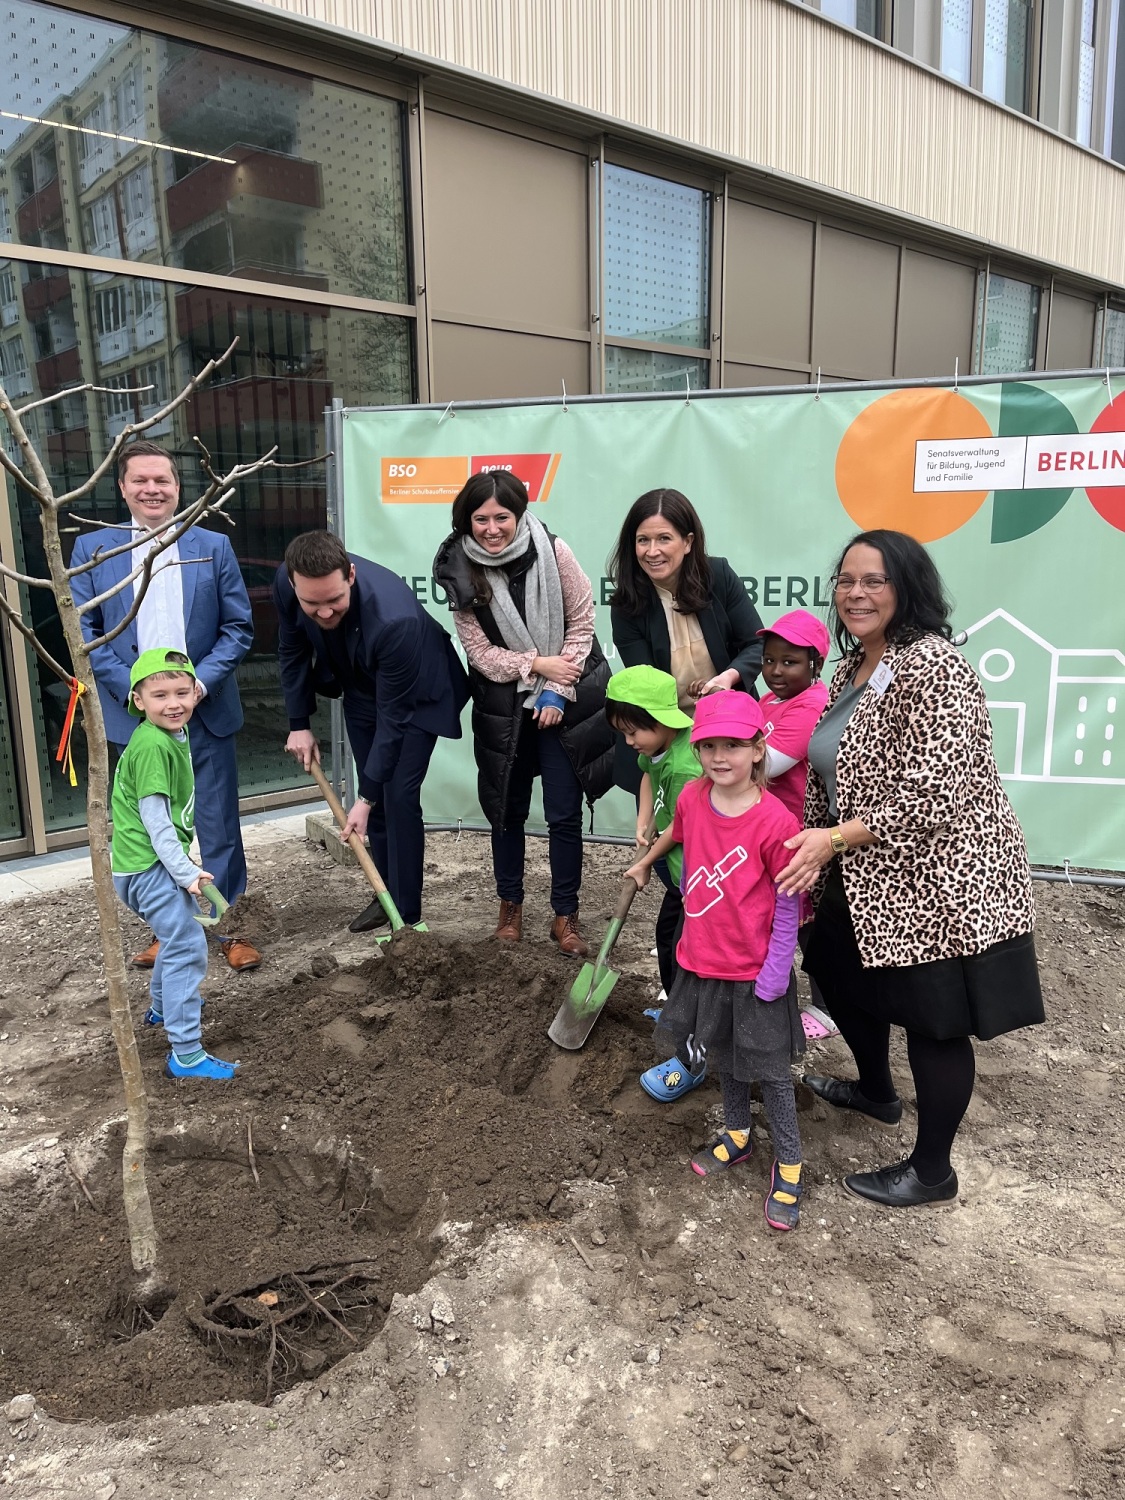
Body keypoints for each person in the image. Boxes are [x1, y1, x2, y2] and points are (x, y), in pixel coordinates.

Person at [777, 529, 1044, 1209]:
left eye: (874, 580)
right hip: (859, 872)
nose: (855, 593)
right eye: (845, 579)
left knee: (933, 1021)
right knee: (841, 979)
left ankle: (932, 1171)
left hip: (936, 880)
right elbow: (827, 766)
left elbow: (936, 788)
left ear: (907, 587)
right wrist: (816, 839)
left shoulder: (934, 666)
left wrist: (832, 838)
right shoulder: (847, 670)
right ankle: (875, 1092)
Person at [70, 440, 260, 972]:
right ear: (123, 488)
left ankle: (225, 929)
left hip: (206, 708)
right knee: (151, 827)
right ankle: (169, 929)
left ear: (179, 488)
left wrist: (197, 685)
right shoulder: (94, 551)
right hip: (134, 720)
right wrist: (132, 694)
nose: (153, 489)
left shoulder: (212, 546)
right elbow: (86, 633)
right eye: (141, 481)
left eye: (163, 481)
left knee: (218, 823)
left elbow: (238, 627)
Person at [625, 691, 806, 1232]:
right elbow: (677, 834)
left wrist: (776, 970)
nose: (720, 757)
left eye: (733, 745)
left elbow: (790, 899)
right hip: (702, 962)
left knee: (770, 1073)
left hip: (755, 972)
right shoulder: (691, 799)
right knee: (721, 1054)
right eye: (708, 746)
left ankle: (791, 1163)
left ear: (758, 750)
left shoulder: (776, 821)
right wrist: (645, 861)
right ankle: (737, 1136)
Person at [432, 471, 614, 957]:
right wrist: (533, 664)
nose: (492, 529)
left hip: (565, 703)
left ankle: (565, 915)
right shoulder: (459, 569)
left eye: (502, 517)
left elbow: (582, 625)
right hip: (502, 707)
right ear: (466, 521)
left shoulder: (555, 552)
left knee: (563, 814)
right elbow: (480, 651)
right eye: (481, 519)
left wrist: (555, 687)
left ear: (520, 514)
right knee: (506, 812)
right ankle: (509, 906)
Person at [274, 530, 470, 933]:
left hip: (417, 695)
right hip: (361, 686)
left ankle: (408, 920)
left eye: (334, 601)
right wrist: (299, 724)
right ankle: (387, 895)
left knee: (394, 795)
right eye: (312, 603)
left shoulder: (393, 619)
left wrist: (364, 797)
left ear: (350, 574)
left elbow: (394, 716)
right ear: (293, 583)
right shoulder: (286, 582)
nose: (324, 613)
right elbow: (291, 647)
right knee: (375, 800)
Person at [110, 648, 239, 1081]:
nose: (174, 703)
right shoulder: (151, 747)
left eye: (182, 692)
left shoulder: (168, 737)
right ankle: (185, 1054)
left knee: (176, 933)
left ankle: (162, 1009)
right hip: (148, 868)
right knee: (186, 945)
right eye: (160, 694)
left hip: (144, 865)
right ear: (138, 700)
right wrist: (186, 874)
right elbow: (157, 823)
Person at [608, 488, 764, 793]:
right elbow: (647, 691)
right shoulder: (626, 604)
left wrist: (726, 679)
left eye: (664, 538)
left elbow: (757, 645)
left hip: (728, 727)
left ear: (688, 542)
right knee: (670, 832)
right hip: (665, 735)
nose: (652, 551)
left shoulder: (718, 575)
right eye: (643, 540)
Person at [758, 609, 837, 1041]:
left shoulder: (812, 705)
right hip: (771, 833)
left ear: (815, 665)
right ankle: (774, 991)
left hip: (799, 833)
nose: (775, 671)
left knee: (808, 926)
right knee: (779, 918)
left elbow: (765, 763)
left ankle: (828, 1010)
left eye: (789, 662)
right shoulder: (768, 701)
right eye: (769, 660)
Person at [605, 664, 699, 1018]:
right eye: (622, 734)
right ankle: (676, 1009)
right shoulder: (658, 746)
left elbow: (680, 828)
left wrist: (644, 862)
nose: (629, 743)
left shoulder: (685, 765)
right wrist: (643, 820)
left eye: (632, 733)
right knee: (667, 937)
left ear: (661, 720)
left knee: (682, 945)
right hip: (680, 871)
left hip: (697, 874)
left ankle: (686, 1016)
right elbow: (647, 774)